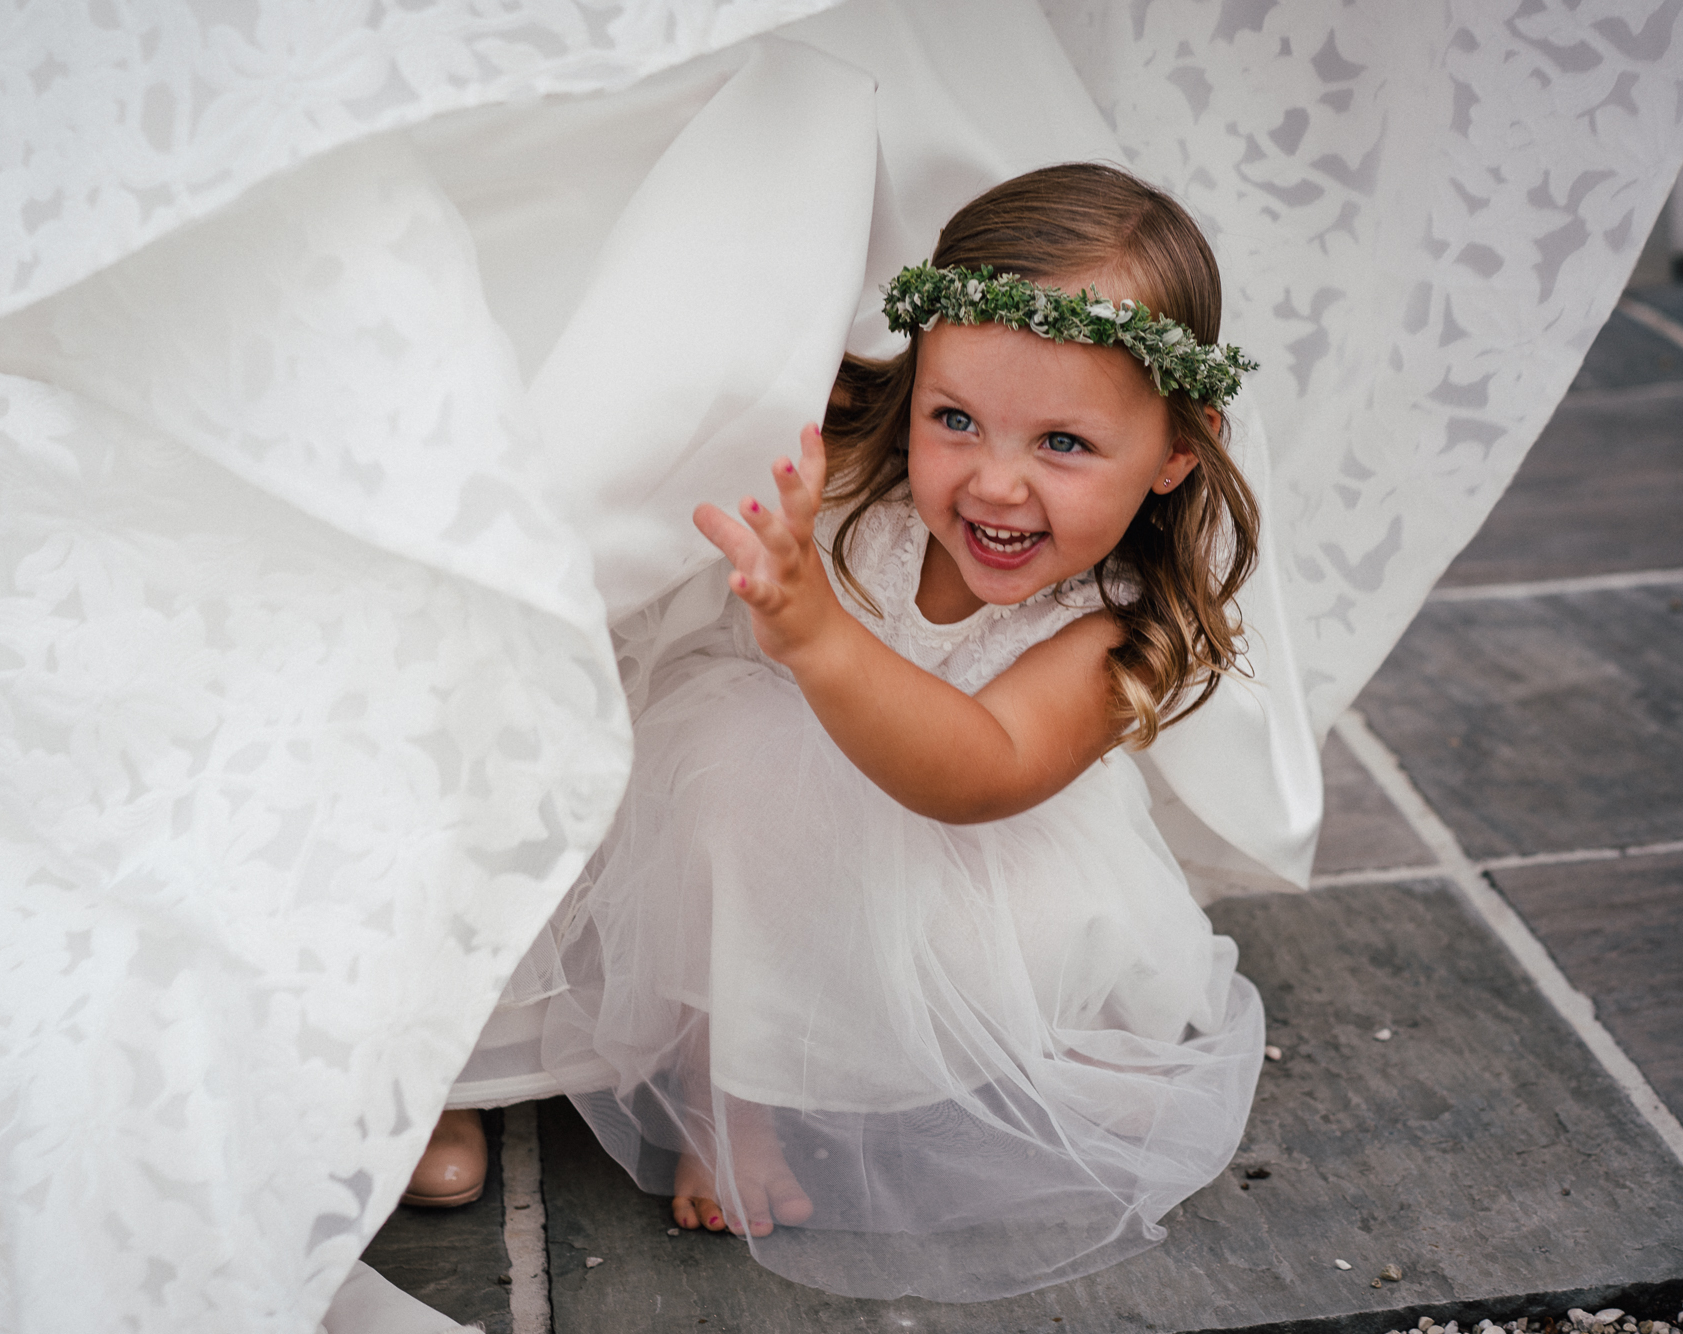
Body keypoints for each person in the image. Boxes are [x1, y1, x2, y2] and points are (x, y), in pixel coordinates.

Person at [411, 162, 1271, 1302]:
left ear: (1176, 448)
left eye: (1062, 443)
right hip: (754, 829)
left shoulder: (1110, 630)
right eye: (955, 418)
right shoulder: (861, 470)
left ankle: (955, 1047)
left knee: (1010, 990)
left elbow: (978, 771)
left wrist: (819, 634)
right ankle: (716, 1084)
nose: (996, 483)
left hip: (962, 854)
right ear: (911, 388)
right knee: (734, 765)